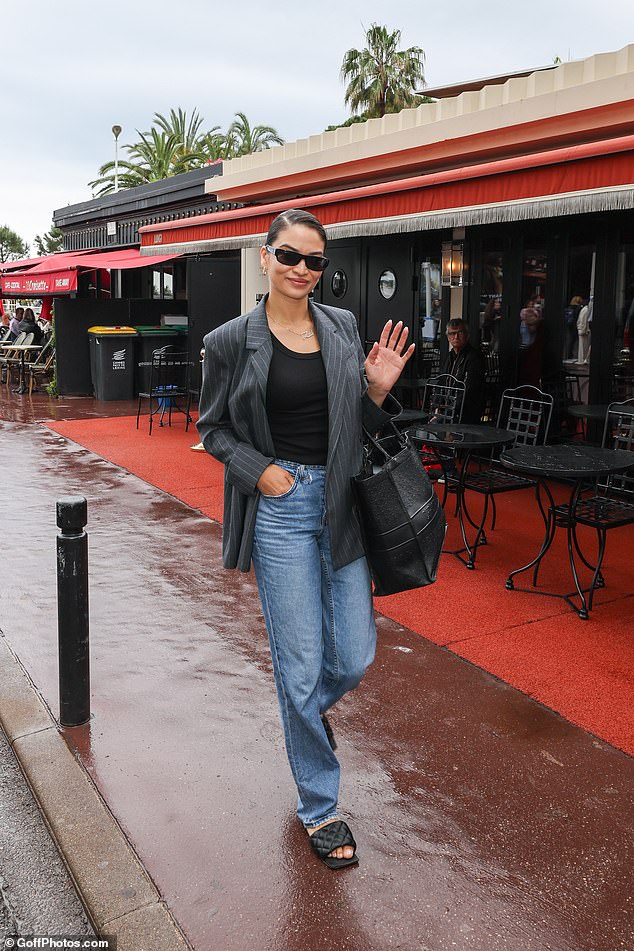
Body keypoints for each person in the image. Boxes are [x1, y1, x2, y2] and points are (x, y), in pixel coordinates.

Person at [197, 208, 414, 870]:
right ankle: (320, 805)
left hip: (341, 502)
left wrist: (375, 390)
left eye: (313, 261)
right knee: (299, 660)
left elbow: (353, 422)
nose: (300, 270)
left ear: (324, 269)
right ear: (264, 258)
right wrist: (259, 472)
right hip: (282, 507)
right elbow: (213, 428)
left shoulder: (342, 327)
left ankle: (306, 714)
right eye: (288, 256)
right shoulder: (231, 341)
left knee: (351, 654)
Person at [439, 318, 485, 424]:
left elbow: (469, 390)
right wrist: (437, 407)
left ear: (467, 335)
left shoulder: (474, 357)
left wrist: (448, 411)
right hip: (449, 412)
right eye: (452, 333)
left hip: (466, 414)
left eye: (460, 332)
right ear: (448, 337)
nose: (456, 337)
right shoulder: (450, 356)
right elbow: (441, 381)